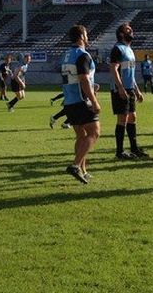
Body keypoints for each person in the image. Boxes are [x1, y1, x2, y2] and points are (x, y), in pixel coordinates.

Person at [62, 25, 101, 184]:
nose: (88, 36)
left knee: (81, 135)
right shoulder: (83, 55)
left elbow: (76, 78)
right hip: (81, 101)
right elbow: (83, 79)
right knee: (95, 132)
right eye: (86, 34)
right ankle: (76, 165)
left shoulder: (66, 55)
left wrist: (92, 86)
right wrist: (94, 100)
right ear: (81, 37)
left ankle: (83, 170)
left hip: (69, 101)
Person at [109, 23, 148, 159]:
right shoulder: (117, 49)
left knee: (132, 117)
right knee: (122, 119)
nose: (131, 31)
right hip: (120, 89)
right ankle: (119, 152)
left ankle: (134, 148)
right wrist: (120, 87)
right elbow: (114, 69)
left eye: (131, 29)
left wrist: (137, 90)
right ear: (121, 33)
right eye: (128, 29)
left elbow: (129, 74)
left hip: (130, 89)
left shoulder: (129, 49)